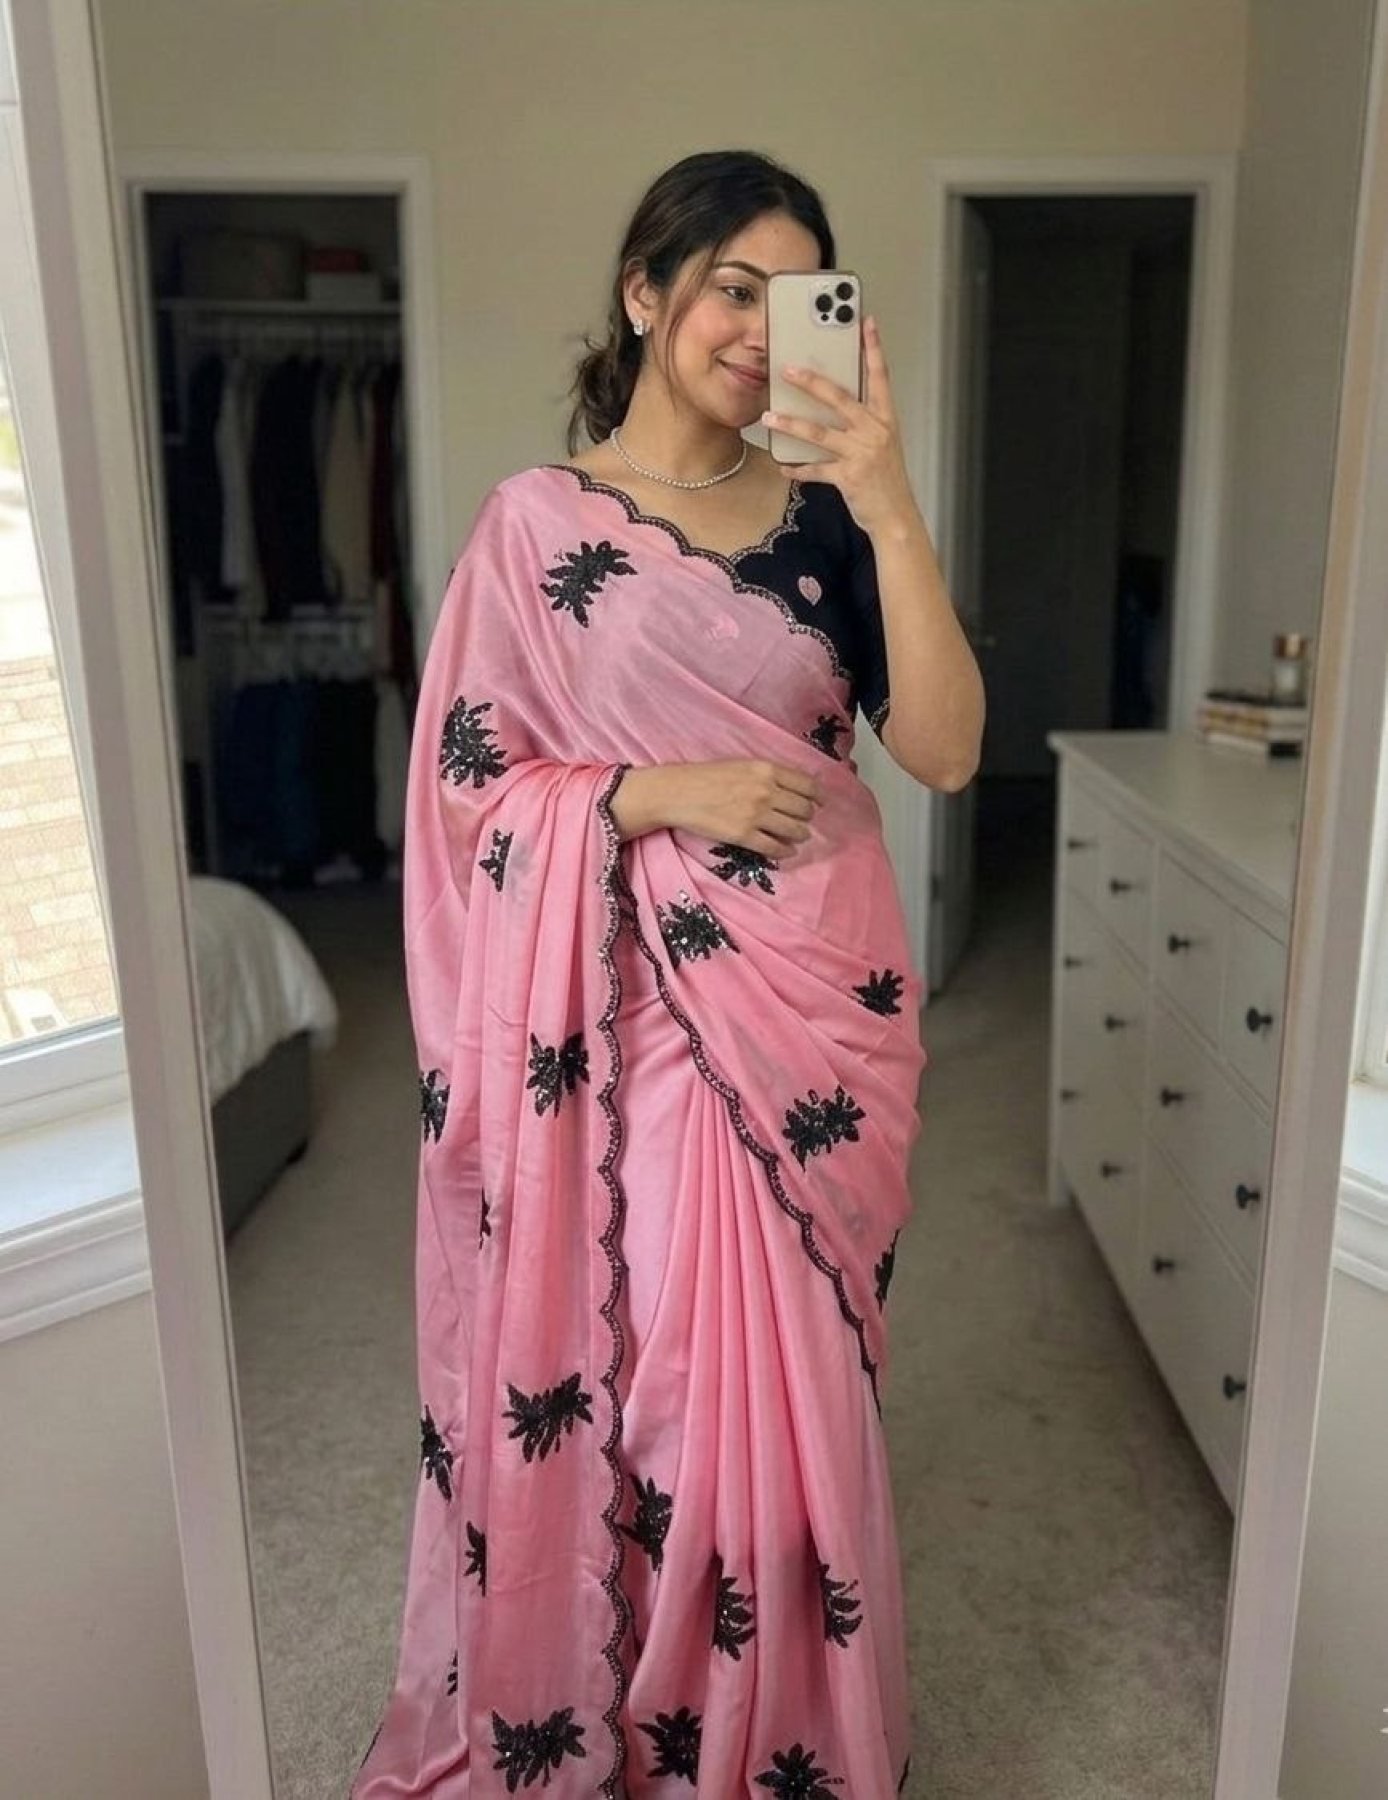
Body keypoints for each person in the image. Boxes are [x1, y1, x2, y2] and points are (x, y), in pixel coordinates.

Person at [353, 147, 984, 1799]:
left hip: (811, 1012)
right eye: (730, 291)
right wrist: (649, 793)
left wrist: (890, 497)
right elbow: (467, 795)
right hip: (621, 1023)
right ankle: (620, 1714)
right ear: (645, 294)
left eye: (798, 300)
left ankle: (773, 1740)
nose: (763, 334)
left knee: (792, 1402)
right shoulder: (530, 530)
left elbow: (945, 748)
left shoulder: (835, 520)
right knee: (659, 1388)